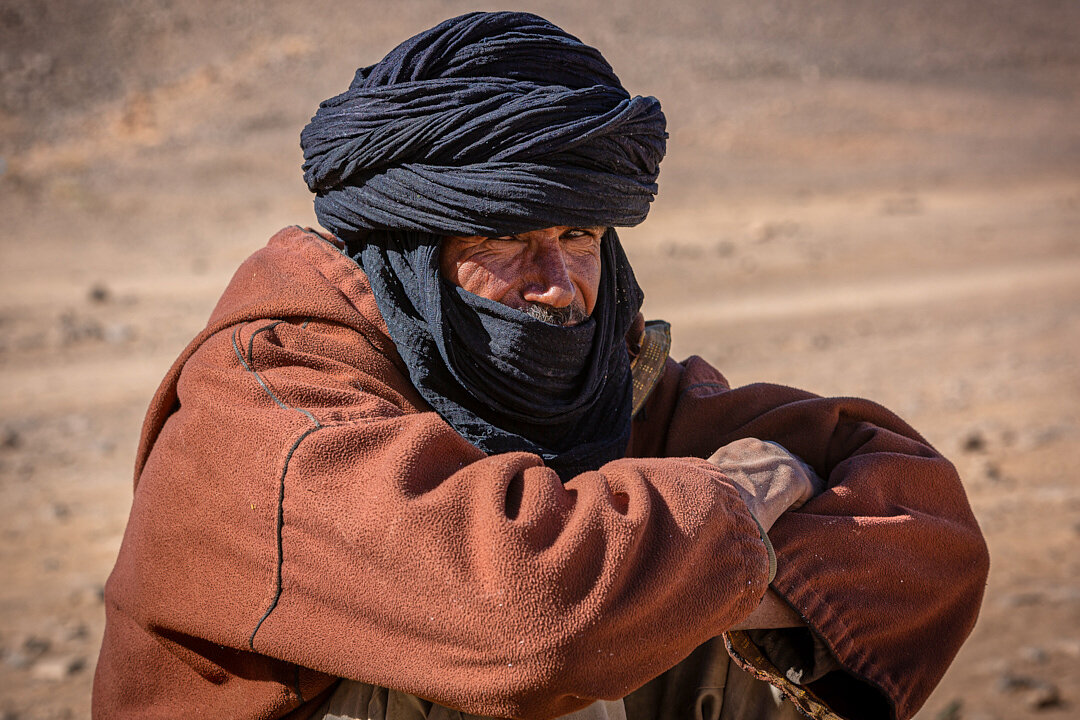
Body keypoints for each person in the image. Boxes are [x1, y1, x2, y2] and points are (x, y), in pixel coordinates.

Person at [92, 12, 989, 720]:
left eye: (579, 236)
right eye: (508, 238)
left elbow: (920, 525)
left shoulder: (600, 380)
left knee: (656, 602)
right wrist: (741, 505)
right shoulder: (274, 398)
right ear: (409, 253)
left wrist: (668, 573)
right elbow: (530, 620)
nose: (558, 287)